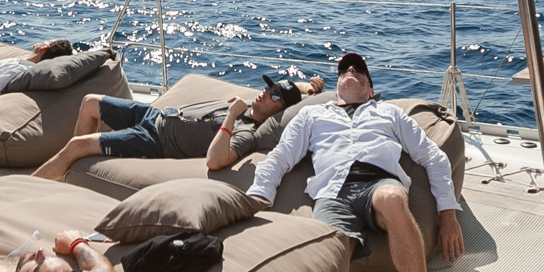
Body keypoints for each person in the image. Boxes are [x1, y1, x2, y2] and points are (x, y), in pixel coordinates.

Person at [246, 52, 464, 272]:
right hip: (333, 193)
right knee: (330, 248)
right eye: (345, 69)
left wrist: (448, 215)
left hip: (379, 184)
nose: (351, 69)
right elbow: (280, 157)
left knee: (392, 199)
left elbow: (433, 157)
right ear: (337, 86)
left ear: (370, 90)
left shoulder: (389, 113)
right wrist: (257, 198)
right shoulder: (311, 116)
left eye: (360, 69)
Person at [32, 73, 325, 181]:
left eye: (273, 95)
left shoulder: (246, 131)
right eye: (269, 87)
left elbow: (216, 161)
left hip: (155, 140)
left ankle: (26, 186)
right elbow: (293, 93)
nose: (265, 93)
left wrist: (230, 117)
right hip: (155, 115)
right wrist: (310, 89)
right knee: (89, 102)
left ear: (278, 111)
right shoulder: (250, 105)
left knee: (77, 145)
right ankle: (70, 172)